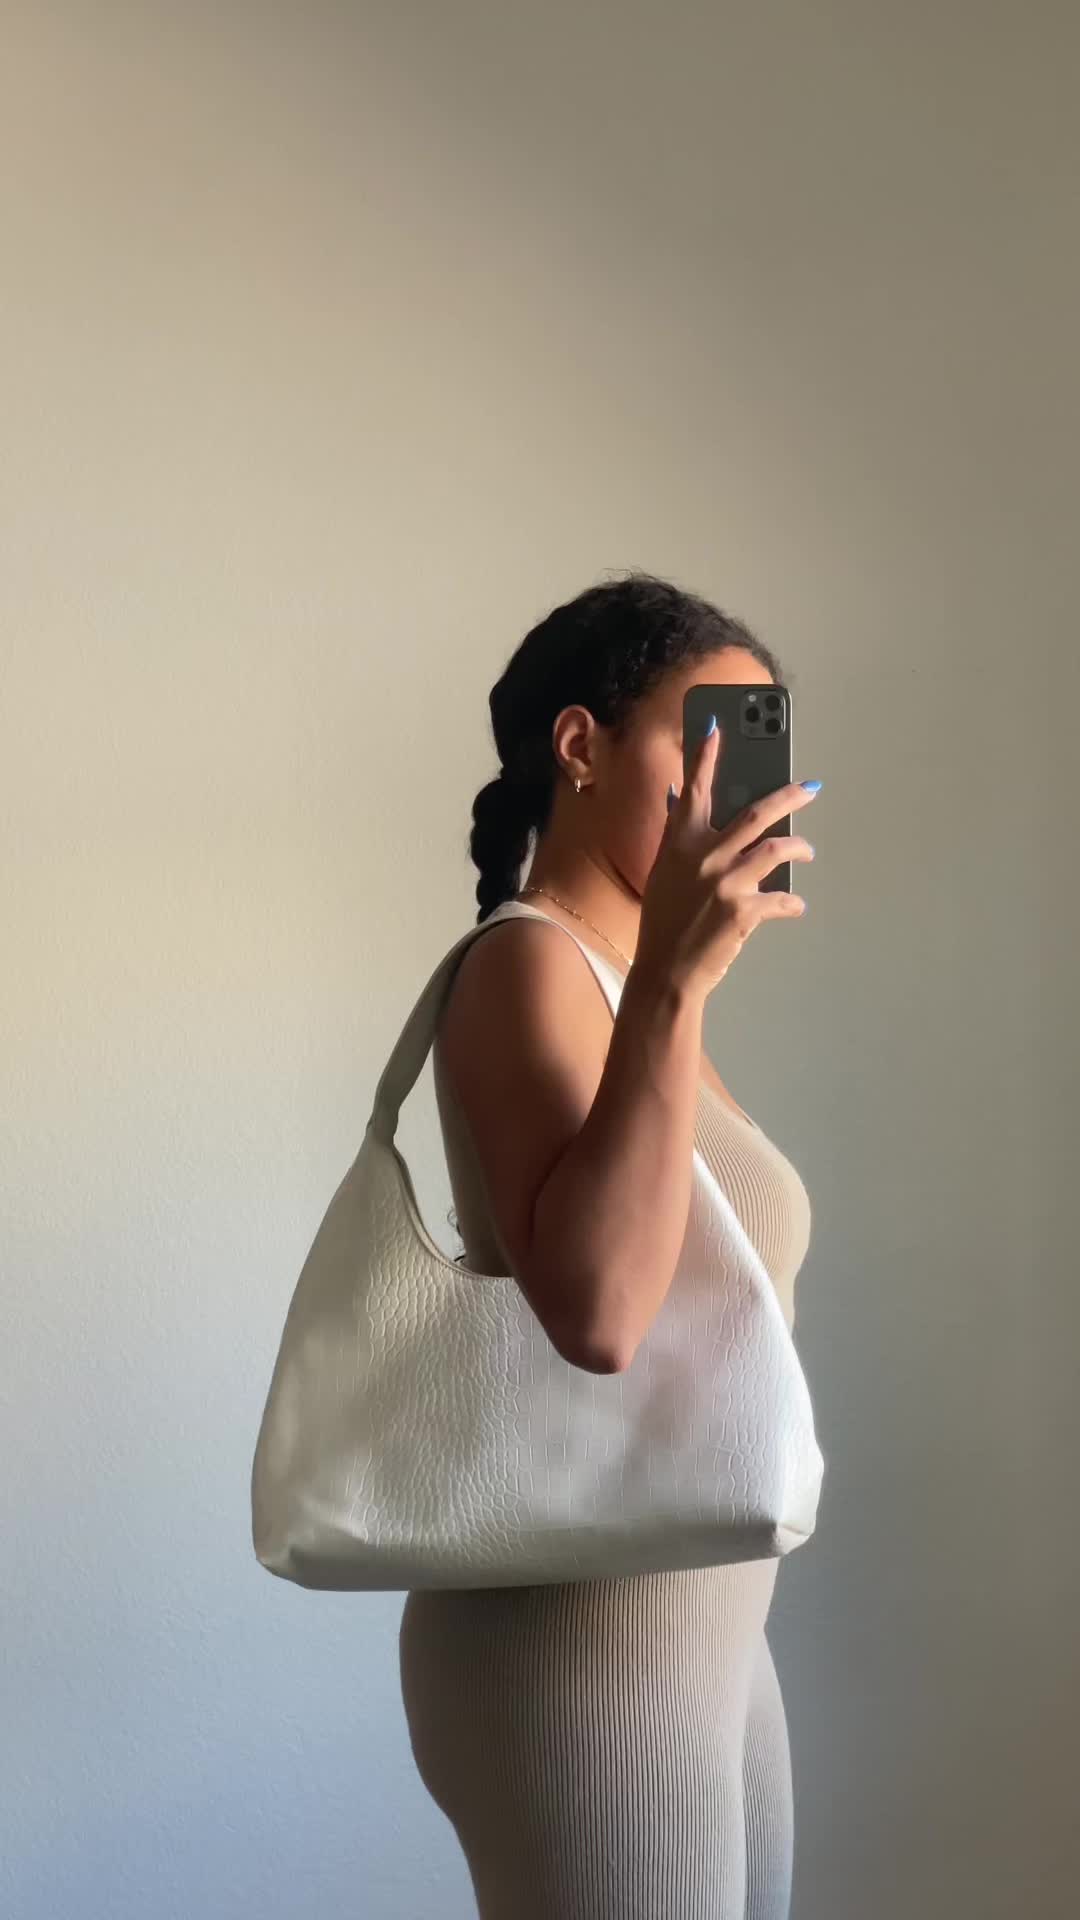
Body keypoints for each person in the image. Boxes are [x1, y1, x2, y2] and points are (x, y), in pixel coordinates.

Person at [398, 571, 821, 1920]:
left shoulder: (635, 986)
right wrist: (678, 984)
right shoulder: (529, 963)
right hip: (589, 1648)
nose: (740, 793)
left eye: (759, 749)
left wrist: (676, 984)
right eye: (709, 744)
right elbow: (600, 1315)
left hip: (709, 1631)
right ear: (580, 745)